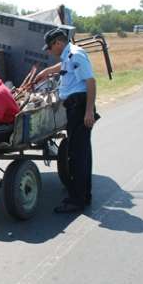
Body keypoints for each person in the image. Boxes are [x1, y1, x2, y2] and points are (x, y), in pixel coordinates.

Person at [35, 28, 99, 214]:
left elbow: (91, 82)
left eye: (50, 47)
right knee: (82, 153)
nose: (49, 51)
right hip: (76, 107)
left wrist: (88, 112)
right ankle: (84, 195)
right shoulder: (68, 56)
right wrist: (47, 71)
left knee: (77, 156)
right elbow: (65, 66)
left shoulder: (75, 55)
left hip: (79, 107)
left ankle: (76, 201)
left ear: (58, 43)